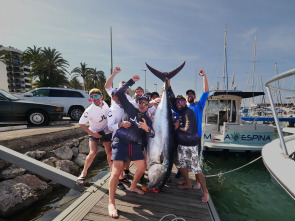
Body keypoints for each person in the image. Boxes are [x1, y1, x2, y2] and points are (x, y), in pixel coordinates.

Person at [108, 75, 155, 218]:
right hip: (120, 143)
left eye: (146, 103)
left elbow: (152, 134)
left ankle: (133, 186)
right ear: (137, 101)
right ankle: (111, 202)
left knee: (142, 168)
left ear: (148, 106)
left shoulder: (147, 118)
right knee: (116, 172)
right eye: (141, 102)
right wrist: (131, 81)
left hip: (134, 145)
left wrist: (147, 128)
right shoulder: (129, 107)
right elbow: (119, 92)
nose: (143, 105)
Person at [168, 75, 210, 203]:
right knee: (181, 164)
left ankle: (204, 190)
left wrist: (204, 77)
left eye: (191, 94)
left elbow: (206, 92)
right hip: (182, 143)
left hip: (193, 141)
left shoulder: (196, 108)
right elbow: (172, 98)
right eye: (178, 102)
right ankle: (188, 182)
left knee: (196, 168)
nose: (178, 103)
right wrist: (168, 84)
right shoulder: (180, 110)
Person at [77, 88, 112, 185]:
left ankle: (112, 172)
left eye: (97, 96)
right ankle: (83, 173)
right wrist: (92, 133)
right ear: (90, 99)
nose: (95, 98)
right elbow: (81, 123)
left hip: (106, 131)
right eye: (92, 97)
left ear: (101, 97)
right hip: (94, 132)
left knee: (109, 152)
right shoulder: (89, 110)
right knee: (93, 153)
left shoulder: (105, 104)